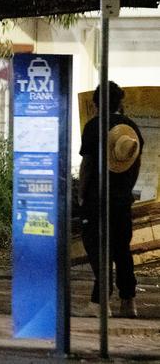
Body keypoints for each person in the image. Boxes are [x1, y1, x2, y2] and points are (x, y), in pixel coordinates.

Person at [78, 81, 144, 318]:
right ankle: (129, 302)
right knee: (121, 250)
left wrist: (81, 193)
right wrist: (125, 190)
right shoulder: (132, 129)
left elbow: (87, 166)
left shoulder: (94, 126)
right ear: (120, 103)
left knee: (98, 249)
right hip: (122, 201)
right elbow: (135, 167)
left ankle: (100, 303)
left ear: (96, 104)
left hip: (97, 200)